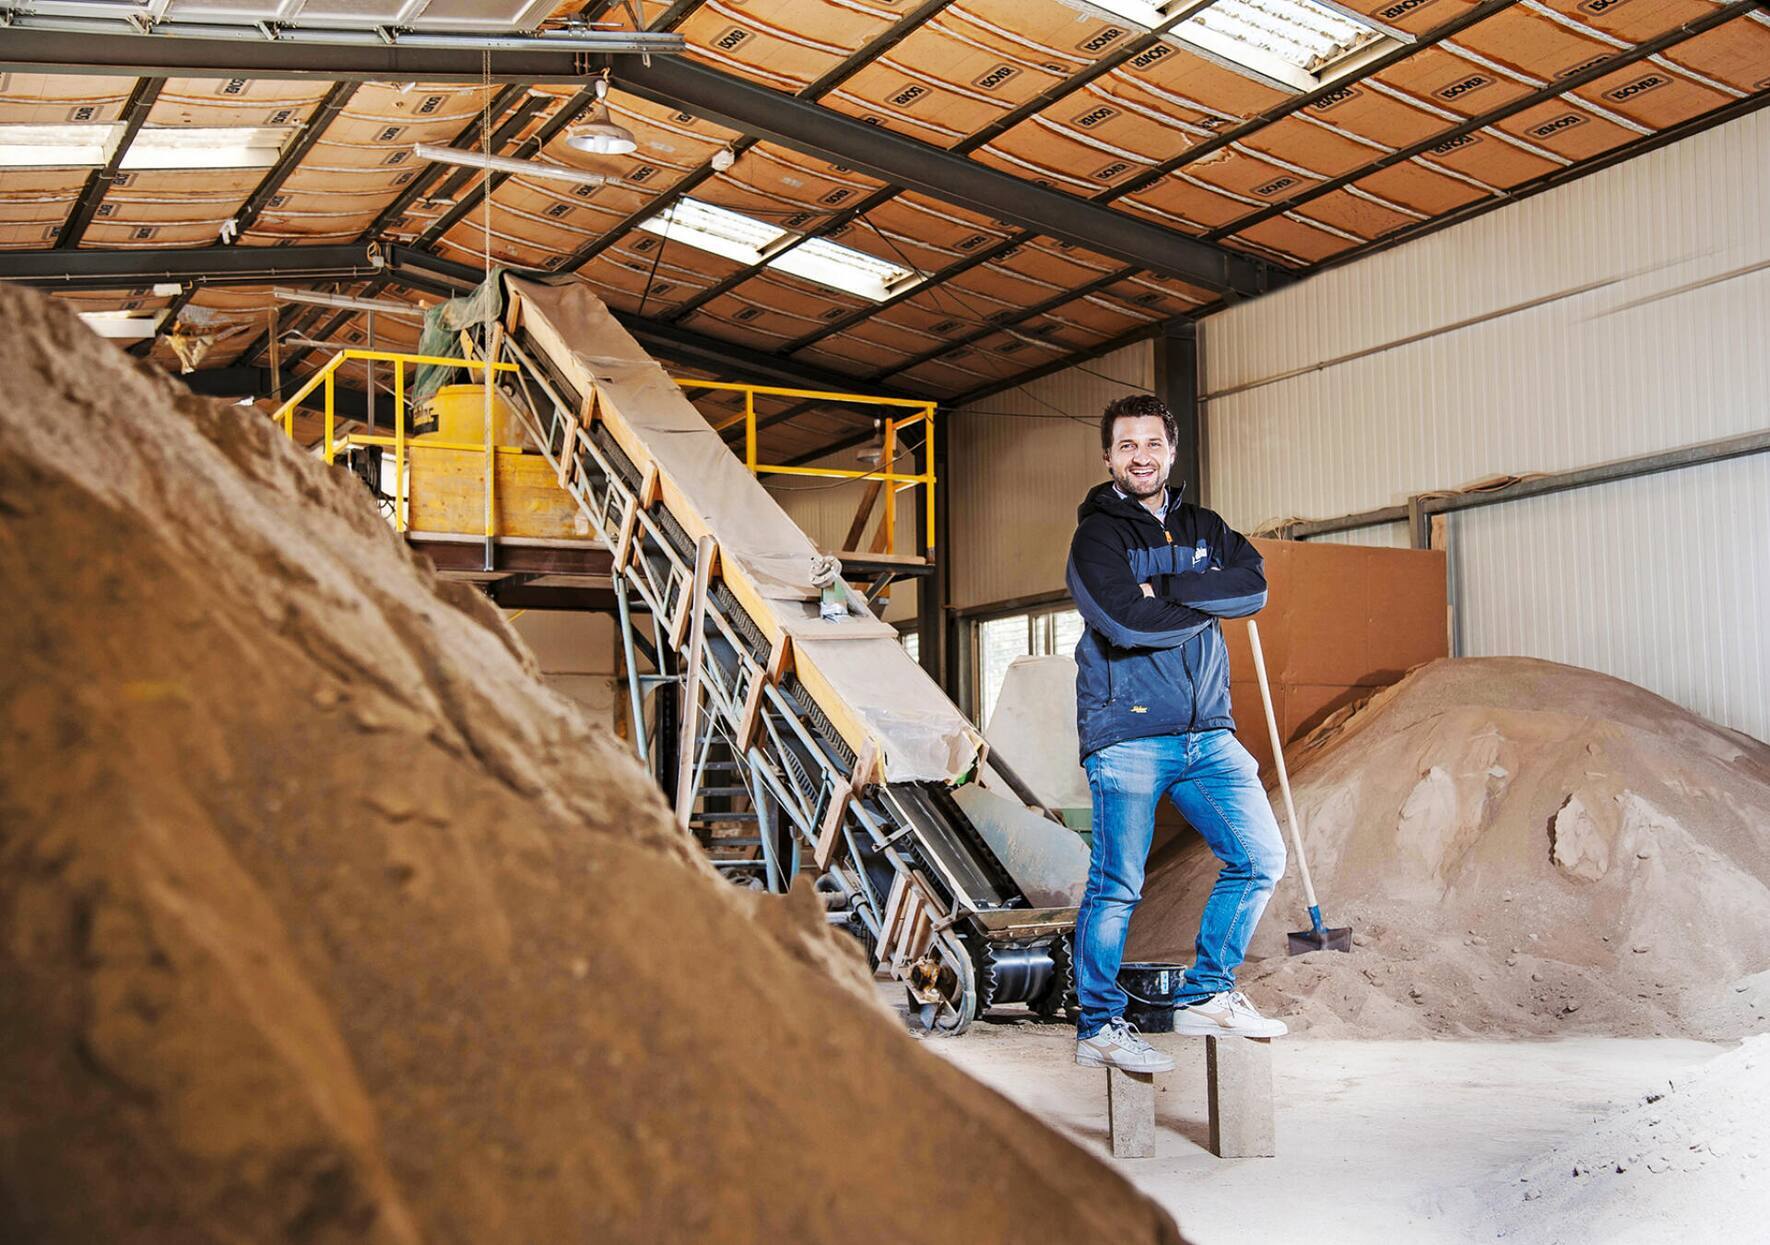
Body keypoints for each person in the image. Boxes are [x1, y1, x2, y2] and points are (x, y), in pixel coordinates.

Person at [1065, 393, 1288, 1074]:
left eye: (1152, 443)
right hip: (1127, 732)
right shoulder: (1097, 538)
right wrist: (1200, 589)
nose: (1141, 455)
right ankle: (1100, 1024)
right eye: (1127, 445)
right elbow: (1127, 622)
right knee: (1118, 885)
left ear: (1171, 450)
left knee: (1259, 857)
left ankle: (1209, 993)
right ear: (1109, 457)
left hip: (1208, 732)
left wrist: (1169, 591)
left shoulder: (1204, 523)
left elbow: (1251, 589)